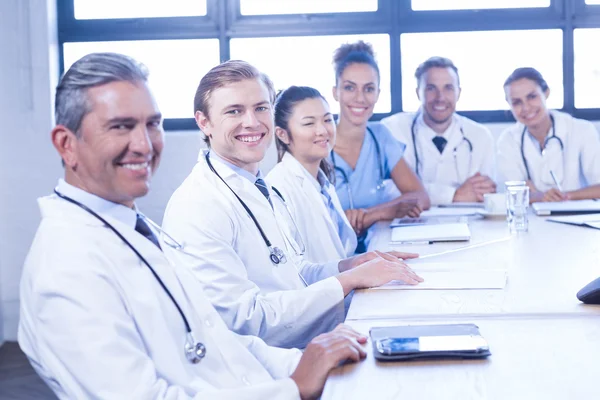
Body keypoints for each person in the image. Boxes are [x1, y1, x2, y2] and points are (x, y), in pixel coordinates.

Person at [18, 52, 378, 399]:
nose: (143, 145)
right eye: (120, 127)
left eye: (152, 124)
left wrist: (306, 363)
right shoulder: (66, 265)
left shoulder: (133, 226)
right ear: (66, 145)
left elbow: (215, 336)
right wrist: (294, 387)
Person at [162, 60, 422, 350]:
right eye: (234, 111)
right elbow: (242, 322)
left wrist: (352, 264)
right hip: (271, 370)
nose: (252, 121)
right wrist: (348, 280)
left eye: (261, 108)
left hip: (312, 342)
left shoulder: (262, 188)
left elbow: (295, 271)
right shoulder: (198, 206)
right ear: (204, 122)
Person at [329, 41, 430, 252]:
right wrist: (392, 208)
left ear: (377, 94)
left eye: (369, 89)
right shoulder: (319, 140)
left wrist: (370, 214)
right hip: (328, 258)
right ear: (335, 92)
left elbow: (420, 197)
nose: (360, 98)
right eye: (349, 87)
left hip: (374, 251)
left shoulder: (380, 136)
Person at [381, 56, 497, 205]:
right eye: (431, 88)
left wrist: (416, 191)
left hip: (468, 223)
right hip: (411, 223)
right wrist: (453, 195)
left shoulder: (480, 136)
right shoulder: (393, 129)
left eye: (448, 88)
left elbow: (485, 192)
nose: (440, 98)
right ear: (418, 93)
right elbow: (387, 190)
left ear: (458, 93)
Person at [267, 85, 359, 260]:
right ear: (283, 134)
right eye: (309, 123)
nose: (323, 131)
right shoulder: (278, 189)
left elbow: (339, 255)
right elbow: (295, 270)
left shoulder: (322, 183)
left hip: (340, 282)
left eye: (327, 120)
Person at [498, 67, 600, 202]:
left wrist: (561, 196)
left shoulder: (582, 130)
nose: (526, 108)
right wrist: (540, 196)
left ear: (546, 93)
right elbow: (512, 194)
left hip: (579, 217)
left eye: (532, 97)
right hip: (531, 220)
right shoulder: (508, 140)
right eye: (517, 102)